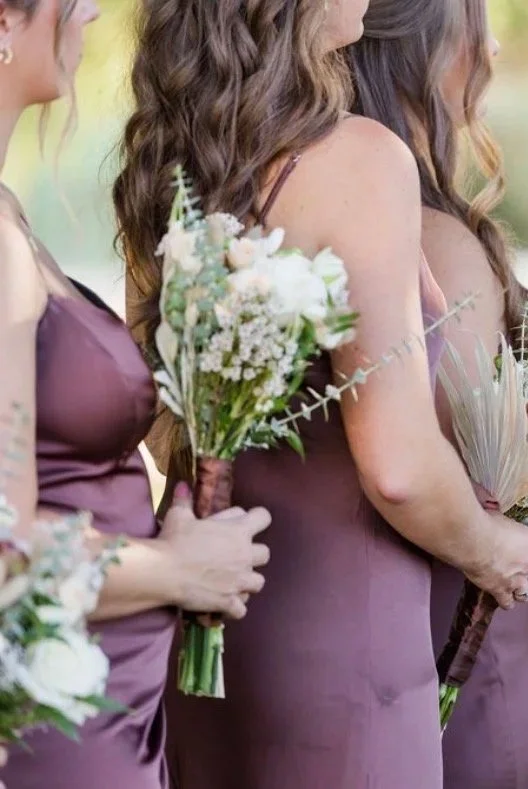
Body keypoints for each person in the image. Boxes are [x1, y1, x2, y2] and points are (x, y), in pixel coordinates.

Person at [111, 0, 528, 786]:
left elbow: (162, 422)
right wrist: (492, 550)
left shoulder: (181, 161)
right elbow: (399, 465)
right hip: (347, 645)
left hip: (212, 625)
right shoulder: (359, 159)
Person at [345, 1, 528, 786]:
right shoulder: (437, 242)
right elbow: (483, 490)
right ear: (419, 49)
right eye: (474, 23)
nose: (496, 47)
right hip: (483, 640)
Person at [0, 0, 272, 785]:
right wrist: (177, 567)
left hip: (107, 708)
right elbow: (7, 545)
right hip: (54, 731)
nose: (90, 11)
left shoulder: (10, 213)